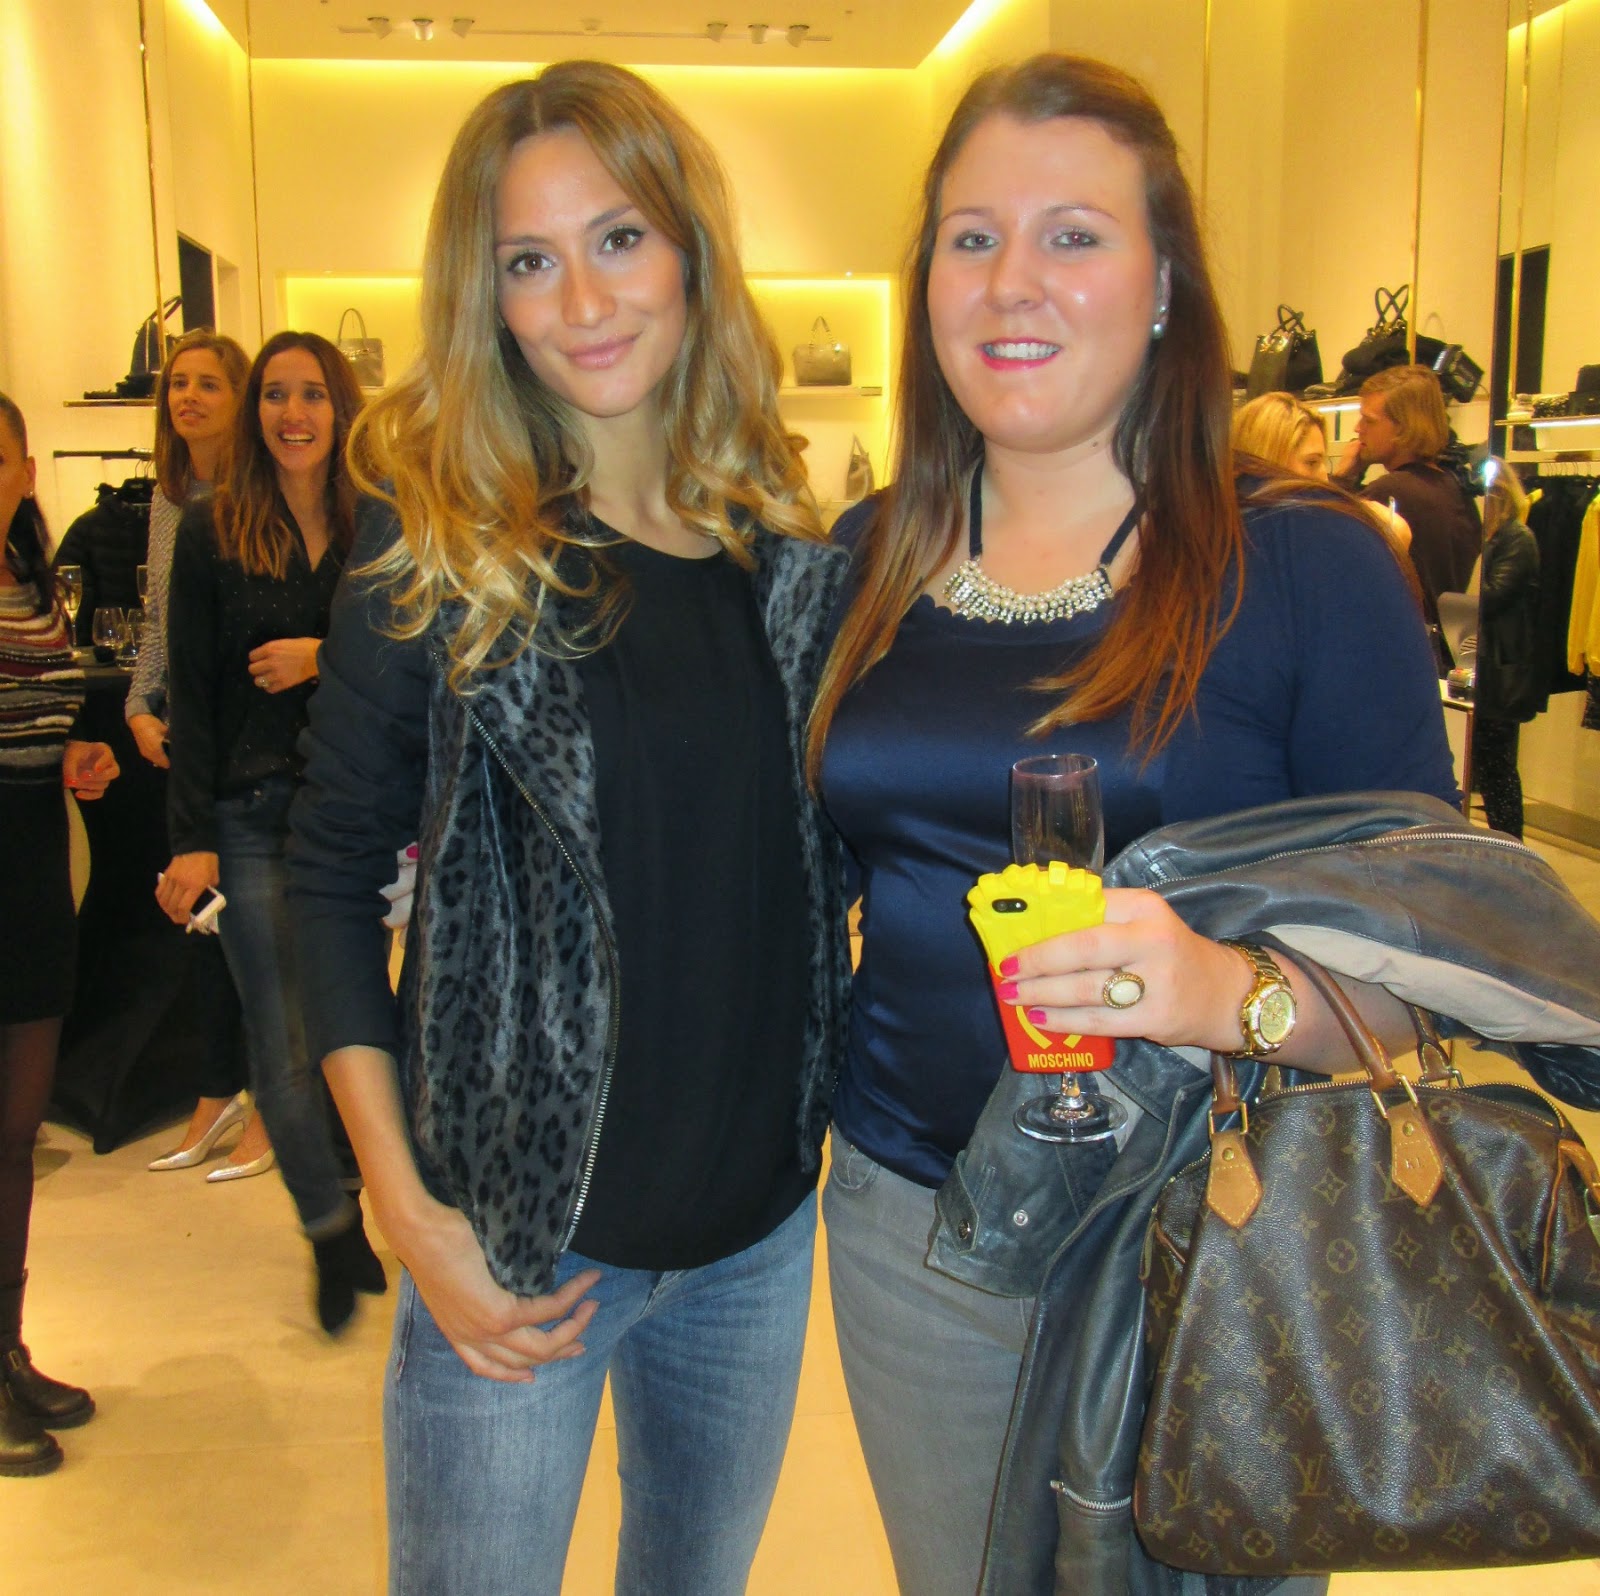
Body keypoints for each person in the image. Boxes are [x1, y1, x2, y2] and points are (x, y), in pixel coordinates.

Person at [808, 55, 1458, 1596]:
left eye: (1074, 235)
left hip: (1209, 1220)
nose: (1011, 282)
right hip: (912, 1219)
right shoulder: (866, 557)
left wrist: (1225, 992)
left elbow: (1433, 970)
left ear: (1166, 284)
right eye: (972, 238)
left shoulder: (1302, 564)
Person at [285, 62, 850, 1596]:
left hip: (752, 1244)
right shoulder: (437, 550)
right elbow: (328, 879)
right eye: (530, 261)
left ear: (690, 250)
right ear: (488, 298)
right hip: (518, 1246)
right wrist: (407, 1213)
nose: (583, 302)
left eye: (618, 240)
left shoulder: (784, 563)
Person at [155, 332, 385, 1332]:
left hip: (354, 811)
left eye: (313, 395)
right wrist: (190, 835)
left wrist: (323, 655)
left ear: (341, 410)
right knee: (283, 1043)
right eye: (276, 394)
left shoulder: (377, 524)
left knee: (359, 1027)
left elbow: (410, 655)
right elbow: (191, 694)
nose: (293, 413)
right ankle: (330, 1227)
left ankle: (362, 1195)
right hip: (249, 815)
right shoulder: (213, 529)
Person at [0, 393, 119, 1476]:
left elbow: (42, 717)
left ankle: (8, 1350)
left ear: (26, 473)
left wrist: (71, 752)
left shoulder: (32, 582)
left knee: (14, 1134)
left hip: (33, 865)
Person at [121, 330, 268, 1177]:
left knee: (251, 923)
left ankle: (269, 1100)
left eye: (209, 383)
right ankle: (218, 1090)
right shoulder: (171, 499)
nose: (188, 397)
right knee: (204, 921)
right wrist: (140, 706)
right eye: (179, 383)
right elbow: (158, 620)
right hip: (185, 734)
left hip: (245, 735)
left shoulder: (261, 495)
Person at [1332, 363, 1481, 639]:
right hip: (1440, 647)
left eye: (1369, 420)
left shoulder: (1390, 494)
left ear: (1402, 428)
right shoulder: (1456, 490)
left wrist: (1341, 479)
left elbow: (1329, 559)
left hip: (1398, 641)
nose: (1358, 428)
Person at [1232, 387, 1418, 586]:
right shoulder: (1298, 546)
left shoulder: (1234, 538)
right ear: (1268, 458)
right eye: (1311, 462)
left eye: (1322, 462)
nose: (1323, 477)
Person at [1471, 461, 1542, 837]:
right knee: (1489, 766)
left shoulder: (1517, 539)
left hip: (1501, 668)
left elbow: (1495, 596)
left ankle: (1510, 842)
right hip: (1489, 663)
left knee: (1498, 768)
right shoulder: (1499, 538)